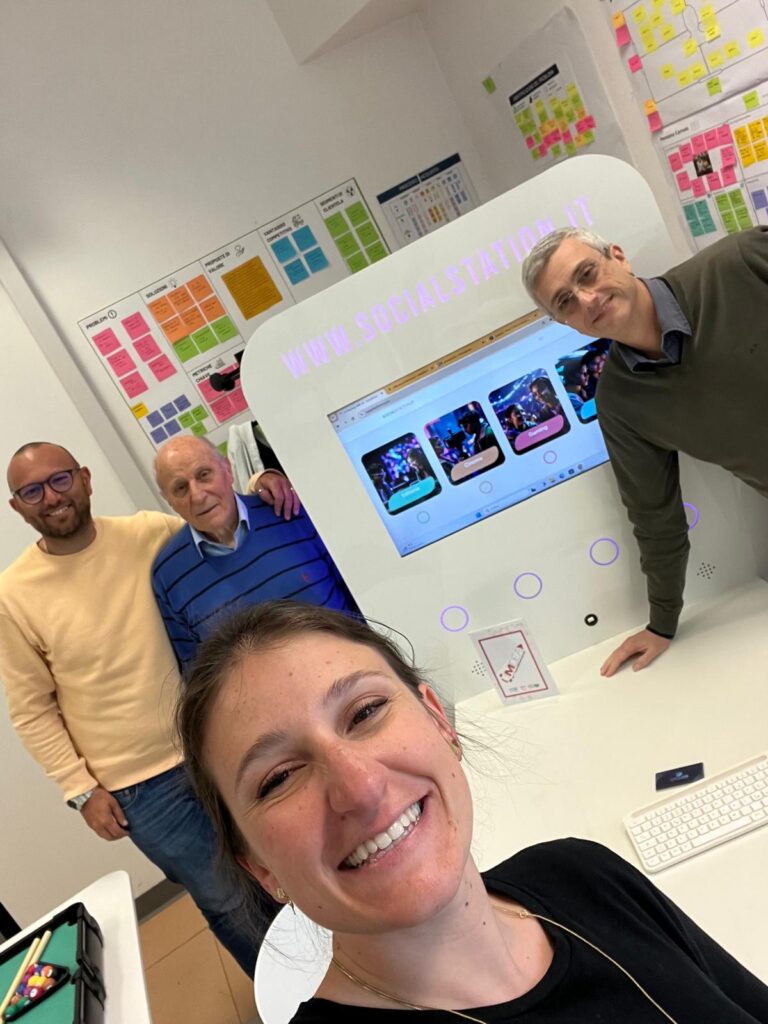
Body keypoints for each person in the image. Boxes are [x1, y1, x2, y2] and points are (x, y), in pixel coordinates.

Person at [176, 601, 768, 1022]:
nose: (360, 787)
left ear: (439, 720)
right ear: (261, 869)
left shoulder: (583, 873)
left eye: (365, 712)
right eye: (279, 778)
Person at [0, 441, 282, 975]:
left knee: (286, 863)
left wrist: (261, 484)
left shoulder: (147, 534)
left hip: (216, 743)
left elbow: (217, 520)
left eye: (60, 480)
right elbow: (31, 709)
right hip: (142, 789)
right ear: (17, 507)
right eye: (31, 491)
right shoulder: (12, 595)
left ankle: (351, 980)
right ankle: (302, 1006)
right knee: (228, 900)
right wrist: (81, 790)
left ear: (85, 478)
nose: (51, 497)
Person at [522, 226, 768, 676]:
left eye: (587, 273)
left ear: (619, 256)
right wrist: (662, 623)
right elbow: (656, 519)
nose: (587, 299)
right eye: (565, 301)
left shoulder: (738, 262)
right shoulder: (620, 402)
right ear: (564, 323)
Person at [152, 436, 358, 672]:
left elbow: (358, 591)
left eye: (204, 475)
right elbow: (197, 671)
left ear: (227, 469)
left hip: (350, 672)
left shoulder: (289, 511)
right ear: (169, 500)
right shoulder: (168, 577)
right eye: (180, 488)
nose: (198, 495)